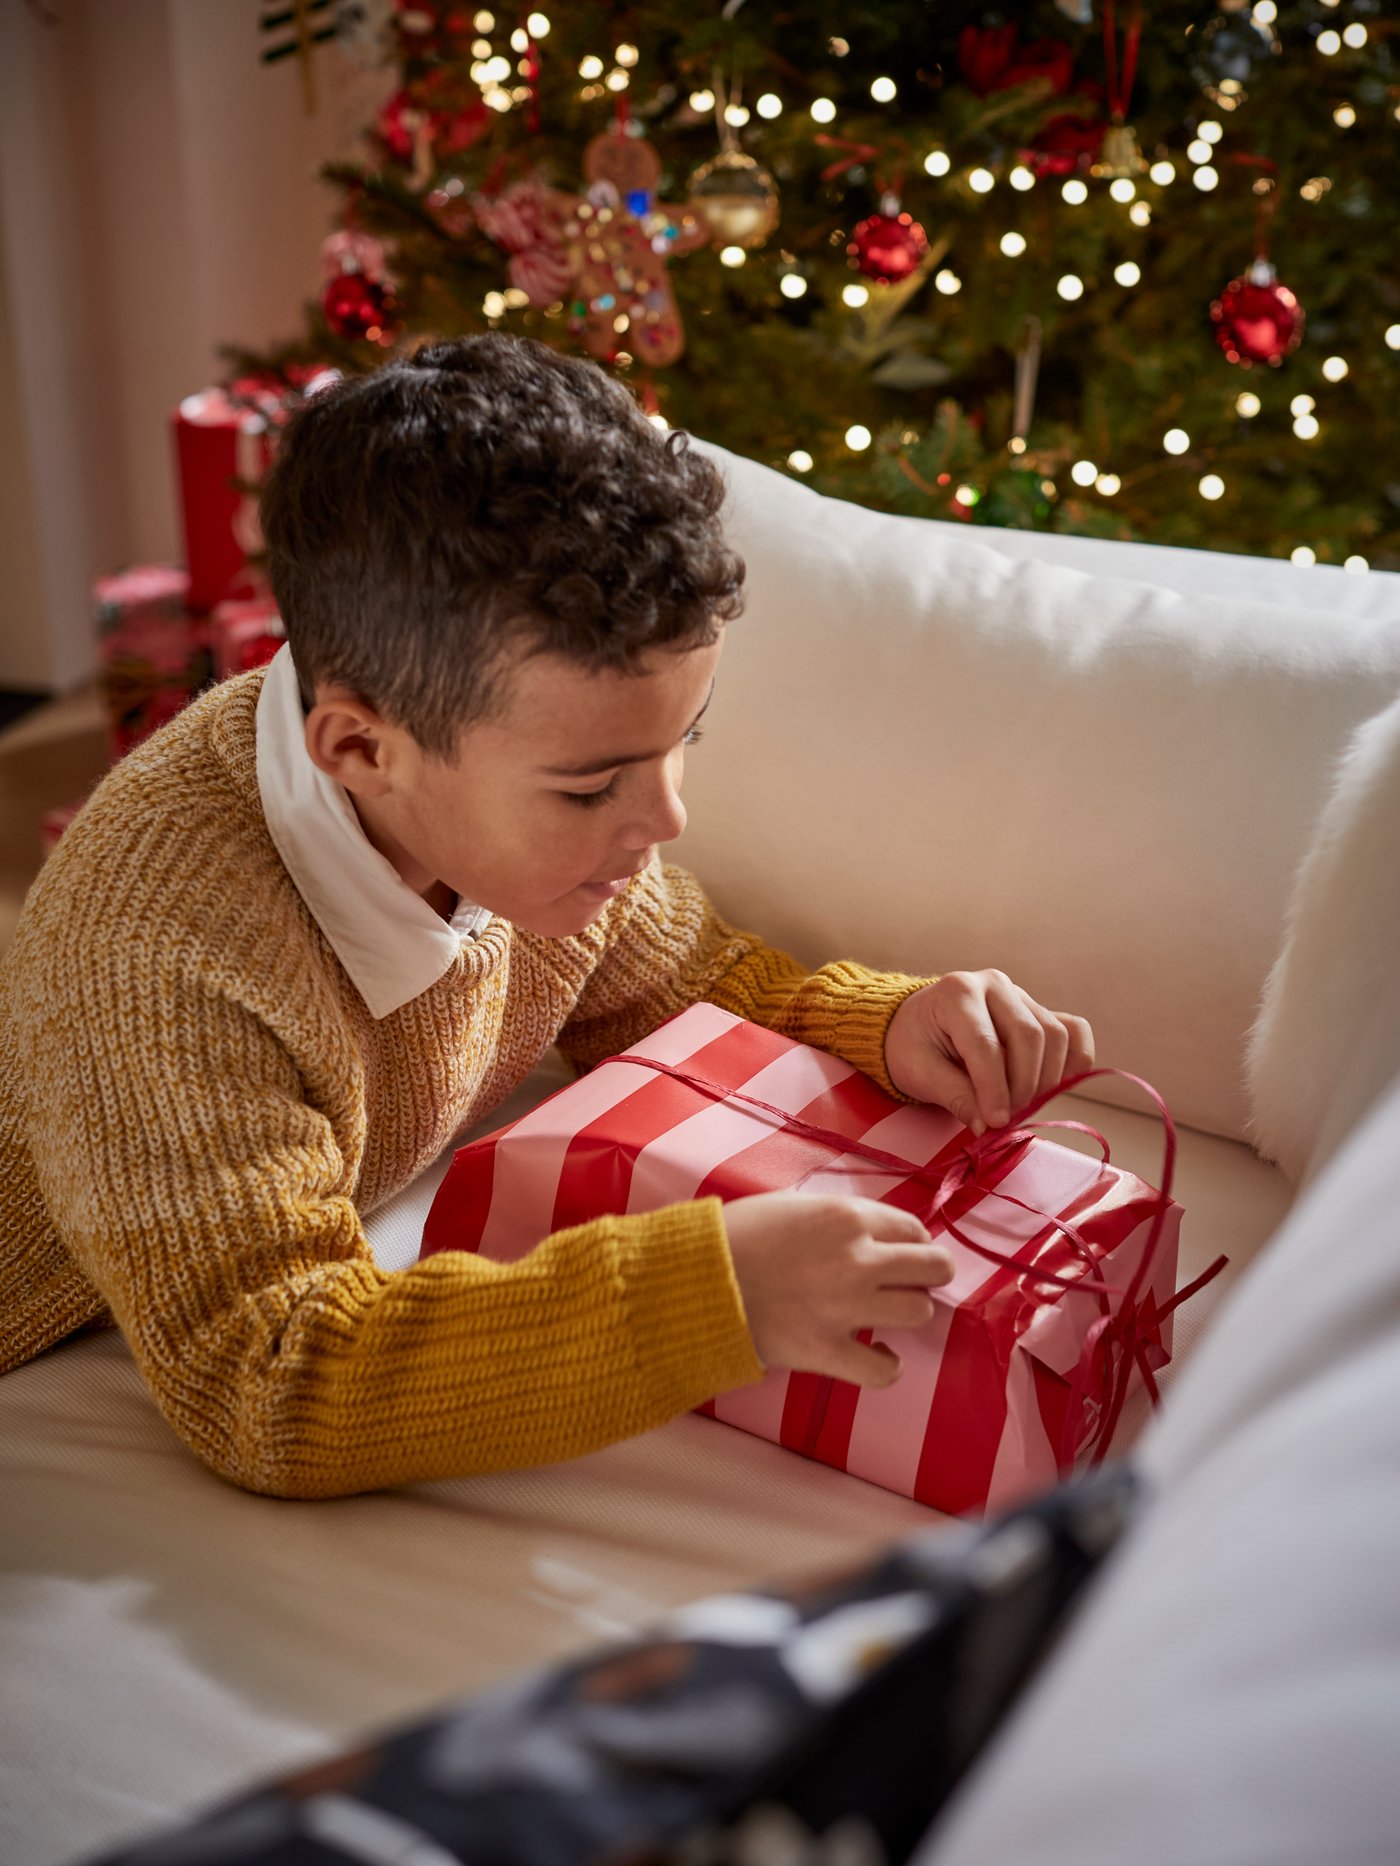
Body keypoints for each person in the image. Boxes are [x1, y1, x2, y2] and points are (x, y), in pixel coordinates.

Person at [0, 335, 1093, 1499]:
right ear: (362, 748)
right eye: (590, 786)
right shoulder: (159, 965)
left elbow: (680, 977)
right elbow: (274, 1377)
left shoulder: (535, 850)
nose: (665, 818)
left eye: (685, 741)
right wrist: (709, 1297)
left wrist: (888, 1019)